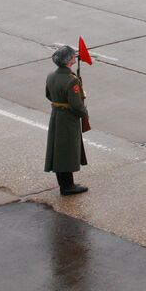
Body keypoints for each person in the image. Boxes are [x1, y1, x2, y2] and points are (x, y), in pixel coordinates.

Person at [44, 45, 88, 195]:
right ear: (69, 61)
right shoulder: (71, 81)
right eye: (73, 56)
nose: (75, 57)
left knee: (58, 151)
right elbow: (76, 105)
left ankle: (64, 184)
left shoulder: (51, 76)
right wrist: (84, 113)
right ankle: (68, 186)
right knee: (68, 151)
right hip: (68, 119)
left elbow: (48, 95)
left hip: (56, 116)